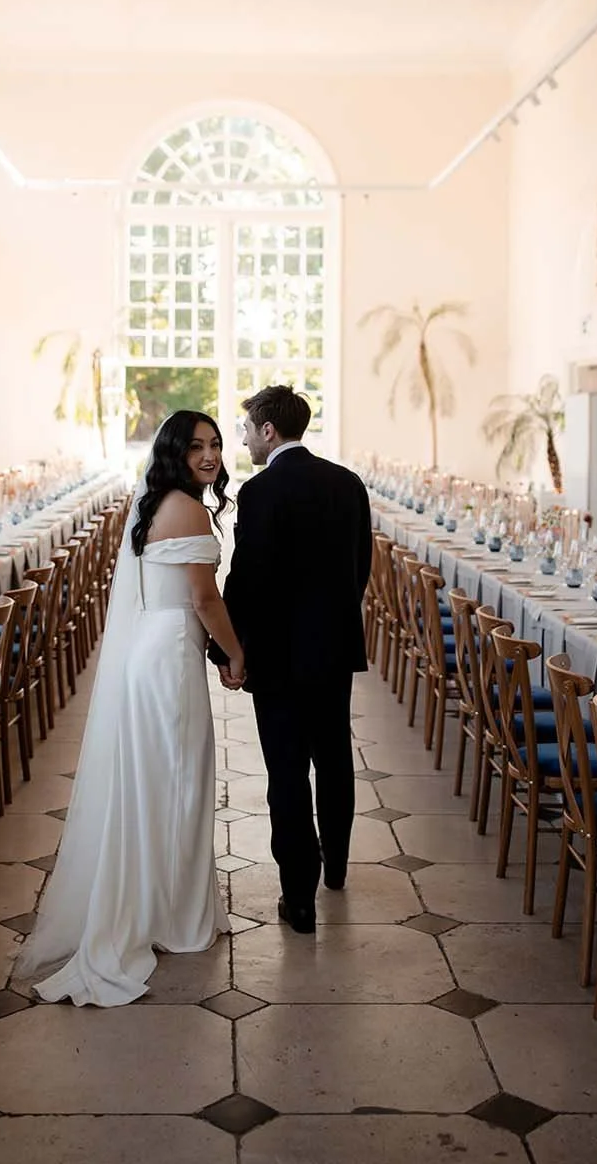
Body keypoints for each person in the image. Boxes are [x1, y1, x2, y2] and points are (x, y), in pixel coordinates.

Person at [16, 411, 245, 1006]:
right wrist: (237, 651)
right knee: (183, 782)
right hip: (171, 655)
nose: (210, 455)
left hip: (152, 649)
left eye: (216, 444)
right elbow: (202, 596)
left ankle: (162, 906)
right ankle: (175, 919)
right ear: (174, 451)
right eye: (196, 446)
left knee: (156, 785)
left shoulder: (156, 504)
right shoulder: (189, 508)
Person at [210, 385, 372, 933]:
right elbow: (360, 569)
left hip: (278, 657)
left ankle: (298, 897)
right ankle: (338, 870)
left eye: (247, 430)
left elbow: (247, 581)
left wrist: (227, 648)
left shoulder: (260, 492)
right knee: (333, 761)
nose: (245, 440)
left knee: (287, 773)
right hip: (332, 651)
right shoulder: (347, 484)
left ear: (268, 431)